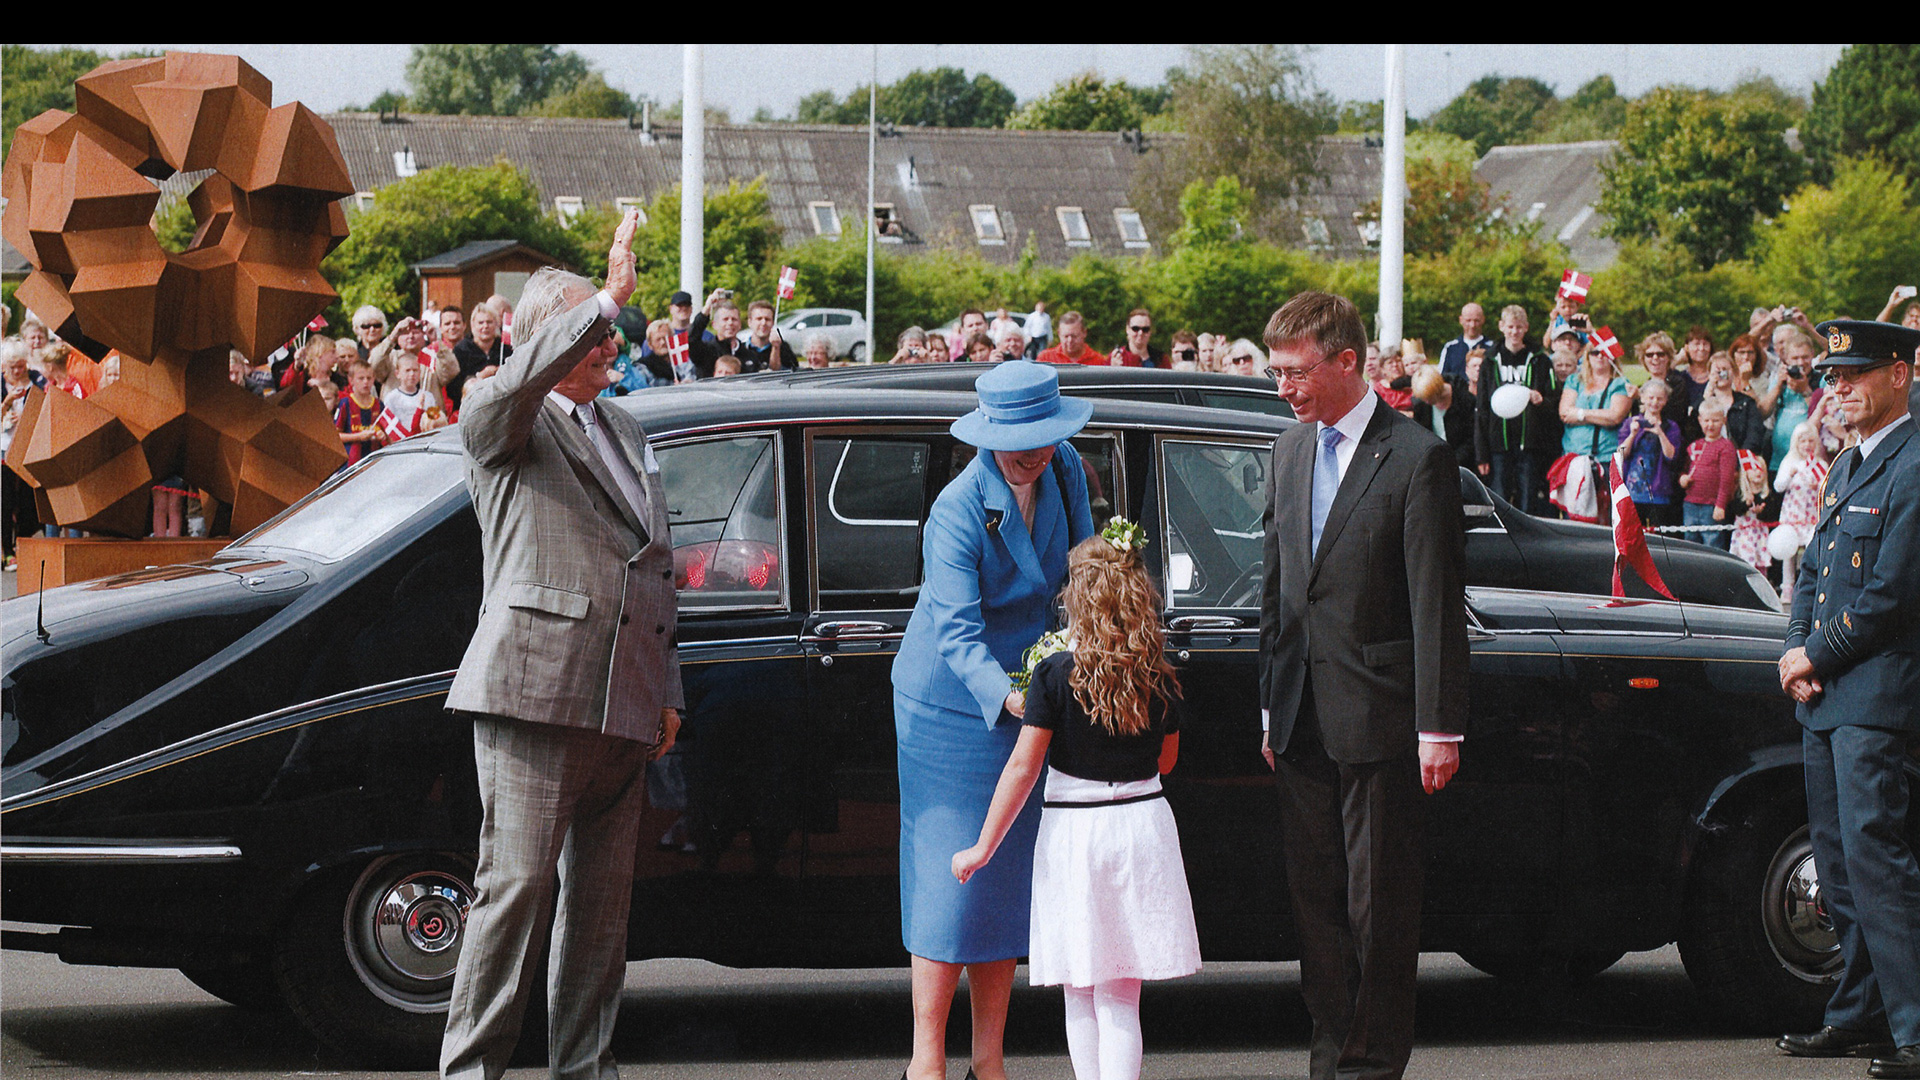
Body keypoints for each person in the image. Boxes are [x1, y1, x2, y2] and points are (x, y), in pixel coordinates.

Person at [439, 209, 685, 1080]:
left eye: (611, 332)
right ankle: (473, 1071)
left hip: (623, 703)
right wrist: (607, 297)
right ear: (545, 335)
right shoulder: (499, 414)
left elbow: (655, 569)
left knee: (600, 915)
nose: (609, 346)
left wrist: (669, 693)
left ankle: (586, 1067)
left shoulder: (624, 428)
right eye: (591, 333)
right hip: (532, 695)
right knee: (513, 896)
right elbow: (515, 386)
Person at [1257, 291, 1468, 1080]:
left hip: (1382, 717)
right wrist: (1271, 706)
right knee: (1316, 909)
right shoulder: (1288, 450)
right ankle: (1329, 1058)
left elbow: (1434, 600)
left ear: (1349, 362)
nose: (1284, 387)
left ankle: (1372, 1066)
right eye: (1276, 372)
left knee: (1377, 912)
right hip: (1302, 717)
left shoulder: (1415, 456)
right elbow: (1277, 589)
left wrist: (1438, 726)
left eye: (1296, 371)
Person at [890, 360, 1095, 1080]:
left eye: (1044, 437)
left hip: (1032, 687)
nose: (1032, 452)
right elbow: (956, 632)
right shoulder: (957, 506)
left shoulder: (1065, 466)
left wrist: (1085, 654)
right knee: (952, 883)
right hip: (951, 706)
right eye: (1018, 442)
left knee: (1005, 879)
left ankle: (990, 1060)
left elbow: (1084, 569)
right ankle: (927, 1061)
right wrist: (1011, 697)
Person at [952, 524, 1199, 1080]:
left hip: (1076, 836)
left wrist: (982, 847)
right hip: (1141, 827)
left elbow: (1024, 766)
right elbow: (1166, 762)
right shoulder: (1157, 675)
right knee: (1121, 993)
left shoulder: (1054, 675)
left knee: (1080, 985)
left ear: (1077, 598)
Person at [1775, 318, 1920, 1080]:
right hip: (1827, 694)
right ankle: (1861, 1012)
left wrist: (1814, 654)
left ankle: (1916, 1029)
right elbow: (1817, 568)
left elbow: (1893, 592)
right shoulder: (1852, 463)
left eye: (1853, 374)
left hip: (1877, 692)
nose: (1837, 389)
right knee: (1836, 866)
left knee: (1877, 862)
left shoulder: (1913, 460)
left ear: (1901, 372)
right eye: (1831, 378)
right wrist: (1794, 649)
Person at [1474, 305, 1553, 514]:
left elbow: (1553, 400)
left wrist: (1541, 400)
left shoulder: (1540, 359)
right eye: (1510, 327)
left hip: (1529, 444)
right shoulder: (1490, 361)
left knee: (1528, 499)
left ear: (1526, 328)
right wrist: (1481, 453)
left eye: (1519, 327)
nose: (1514, 332)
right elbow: (1481, 407)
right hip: (1498, 443)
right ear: (1501, 327)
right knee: (1499, 498)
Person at [1618, 379, 1683, 529]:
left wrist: (1661, 433)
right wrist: (1632, 434)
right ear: (1643, 398)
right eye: (1651, 398)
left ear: (1666, 401)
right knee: (1633, 533)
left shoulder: (1671, 427)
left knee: (1657, 534)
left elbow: (1671, 456)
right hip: (1633, 490)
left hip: (1658, 492)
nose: (1655, 402)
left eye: (1659, 398)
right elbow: (1621, 455)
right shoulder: (1630, 423)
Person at [1773, 419, 1828, 587]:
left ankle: (1807, 585)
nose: (1807, 445)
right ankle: (1787, 586)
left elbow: (1828, 489)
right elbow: (1778, 487)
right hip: (1792, 514)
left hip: (1811, 515)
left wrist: (1818, 486)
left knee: (1809, 550)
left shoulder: (1820, 465)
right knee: (1789, 552)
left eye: (1811, 441)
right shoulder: (1789, 462)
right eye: (1802, 441)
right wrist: (1789, 475)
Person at [1678, 399, 1738, 550]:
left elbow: (1727, 479)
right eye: (1706, 420)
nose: (1710, 425)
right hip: (1690, 503)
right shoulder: (1694, 445)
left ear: (1723, 421)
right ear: (1699, 420)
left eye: (1715, 421)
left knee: (1712, 542)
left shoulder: (1726, 447)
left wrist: (1720, 505)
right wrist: (1682, 479)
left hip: (1711, 505)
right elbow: (1685, 468)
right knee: (1690, 542)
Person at [334, 359, 386, 467]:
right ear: (351, 380)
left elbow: (386, 431)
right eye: (361, 378)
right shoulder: (346, 403)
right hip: (351, 464)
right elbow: (335, 436)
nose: (365, 382)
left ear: (373, 379)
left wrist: (382, 435)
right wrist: (358, 437)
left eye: (369, 378)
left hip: (374, 462)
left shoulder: (378, 404)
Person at [1438, 302, 1491, 380]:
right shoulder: (1450, 348)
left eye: (1476, 321)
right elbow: (1441, 378)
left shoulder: (1492, 347)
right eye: (1468, 320)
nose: (1472, 325)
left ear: (1483, 320)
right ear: (1461, 320)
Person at [737, 300, 793, 371]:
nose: (763, 323)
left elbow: (779, 372)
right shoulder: (741, 349)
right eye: (759, 319)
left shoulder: (783, 348)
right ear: (750, 322)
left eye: (767, 319)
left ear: (773, 323)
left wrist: (776, 348)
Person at [1036, 312, 1101, 365]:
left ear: (1084, 333)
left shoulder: (1098, 361)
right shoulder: (1045, 359)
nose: (1070, 340)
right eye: (1066, 336)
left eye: (1074, 336)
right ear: (1059, 334)